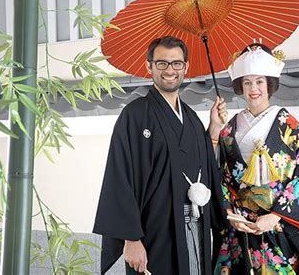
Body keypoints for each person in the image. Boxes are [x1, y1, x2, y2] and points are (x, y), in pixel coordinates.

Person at [93, 36, 226, 274]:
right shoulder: (135, 115)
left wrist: (213, 131)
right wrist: (131, 239)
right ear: (149, 66)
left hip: (195, 228)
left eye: (176, 64)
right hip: (153, 233)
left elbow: (203, 167)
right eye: (161, 63)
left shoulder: (193, 119)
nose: (169, 70)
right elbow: (120, 177)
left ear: (185, 67)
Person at [210, 43, 299, 274]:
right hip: (242, 227)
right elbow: (219, 175)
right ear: (240, 86)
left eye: (259, 81)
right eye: (247, 82)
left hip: (279, 225)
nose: (254, 89)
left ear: (269, 84)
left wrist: (274, 216)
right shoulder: (228, 129)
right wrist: (230, 215)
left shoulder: (288, 124)